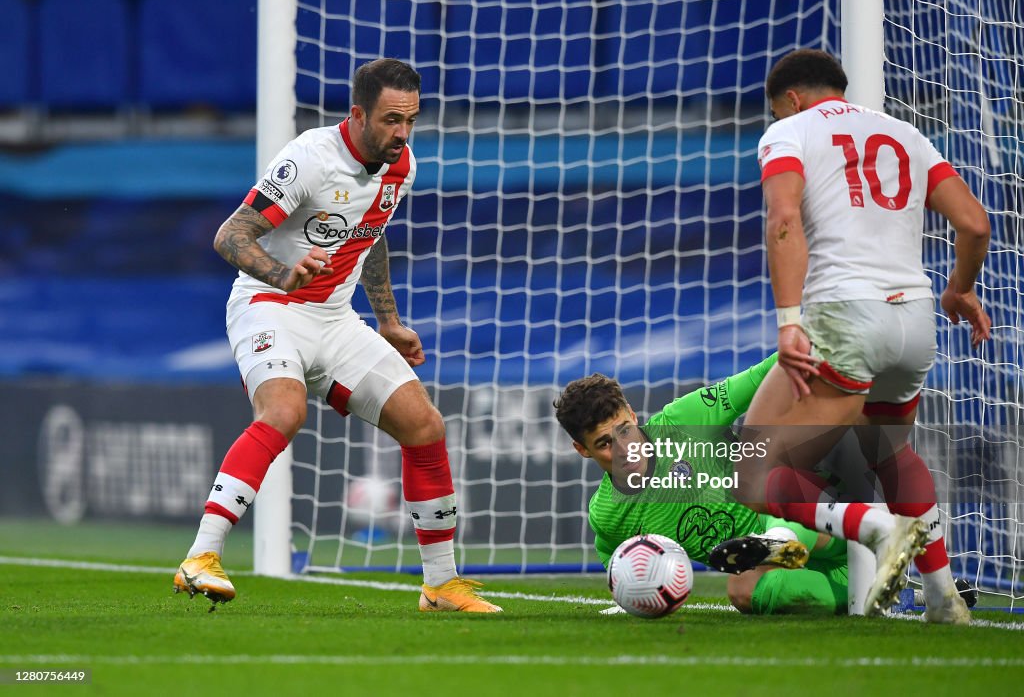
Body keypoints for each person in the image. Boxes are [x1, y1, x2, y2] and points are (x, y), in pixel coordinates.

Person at [173, 59, 501, 613]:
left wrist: (389, 320)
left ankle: (441, 585)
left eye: (411, 120)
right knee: (283, 412)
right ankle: (200, 557)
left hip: (334, 319)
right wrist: (283, 273)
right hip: (269, 306)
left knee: (425, 426)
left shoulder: (401, 166)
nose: (402, 132)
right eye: (391, 119)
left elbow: (370, 236)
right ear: (357, 114)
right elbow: (231, 235)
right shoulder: (310, 158)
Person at [737, 49, 991, 622]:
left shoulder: (791, 132)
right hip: (916, 318)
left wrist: (788, 322)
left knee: (755, 469)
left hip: (846, 314)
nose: (778, 119)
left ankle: (877, 529)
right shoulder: (905, 134)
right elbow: (975, 223)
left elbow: (783, 219)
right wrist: (960, 290)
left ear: (792, 100)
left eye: (778, 111)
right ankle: (943, 598)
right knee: (892, 453)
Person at [554, 355, 852, 616]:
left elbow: (765, 372)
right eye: (605, 443)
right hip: (805, 569)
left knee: (778, 478)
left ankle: (775, 539)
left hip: (834, 524)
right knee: (742, 591)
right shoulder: (607, 513)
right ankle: (857, 596)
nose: (624, 449)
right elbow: (614, 556)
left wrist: (820, 345)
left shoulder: (684, 419)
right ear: (583, 449)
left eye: (624, 431)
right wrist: (629, 593)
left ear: (632, 415)